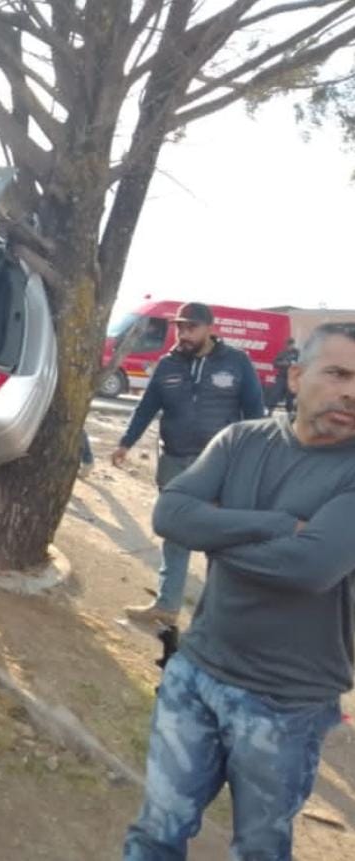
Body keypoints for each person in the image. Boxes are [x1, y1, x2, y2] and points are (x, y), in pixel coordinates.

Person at [124, 322, 355, 859]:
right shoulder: (242, 440)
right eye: (338, 373)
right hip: (196, 673)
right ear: (296, 377)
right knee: (156, 831)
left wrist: (217, 529)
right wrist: (280, 524)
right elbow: (170, 513)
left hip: (287, 699)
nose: (351, 391)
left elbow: (312, 566)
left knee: (258, 848)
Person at [111, 302, 264, 626]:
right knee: (176, 534)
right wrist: (126, 442)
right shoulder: (168, 365)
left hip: (221, 467)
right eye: (180, 326)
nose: (183, 333)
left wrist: (255, 460)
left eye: (191, 327)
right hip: (175, 461)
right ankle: (167, 605)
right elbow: (147, 407)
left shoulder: (236, 363)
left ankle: (215, 617)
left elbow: (254, 414)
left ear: (210, 328)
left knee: (218, 538)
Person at [265, 337, 300, 413]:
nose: (290, 346)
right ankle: (269, 411)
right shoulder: (283, 353)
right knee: (275, 393)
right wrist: (285, 364)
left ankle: (290, 413)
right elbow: (275, 363)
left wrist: (295, 365)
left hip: (292, 378)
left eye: (291, 344)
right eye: (288, 344)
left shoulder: (297, 353)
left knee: (290, 397)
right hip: (282, 377)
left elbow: (302, 363)